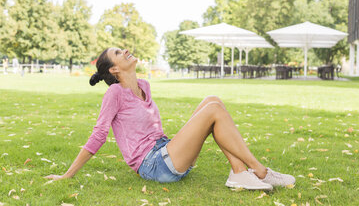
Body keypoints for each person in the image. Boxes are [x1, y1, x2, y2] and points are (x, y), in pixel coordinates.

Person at [45, 47, 295, 190]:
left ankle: (239, 171)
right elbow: (99, 135)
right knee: (213, 110)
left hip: (164, 150)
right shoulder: (114, 93)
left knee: (212, 100)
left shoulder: (144, 84)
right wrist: (67, 175)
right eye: (119, 52)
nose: (127, 50)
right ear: (114, 69)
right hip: (153, 165)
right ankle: (260, 171)